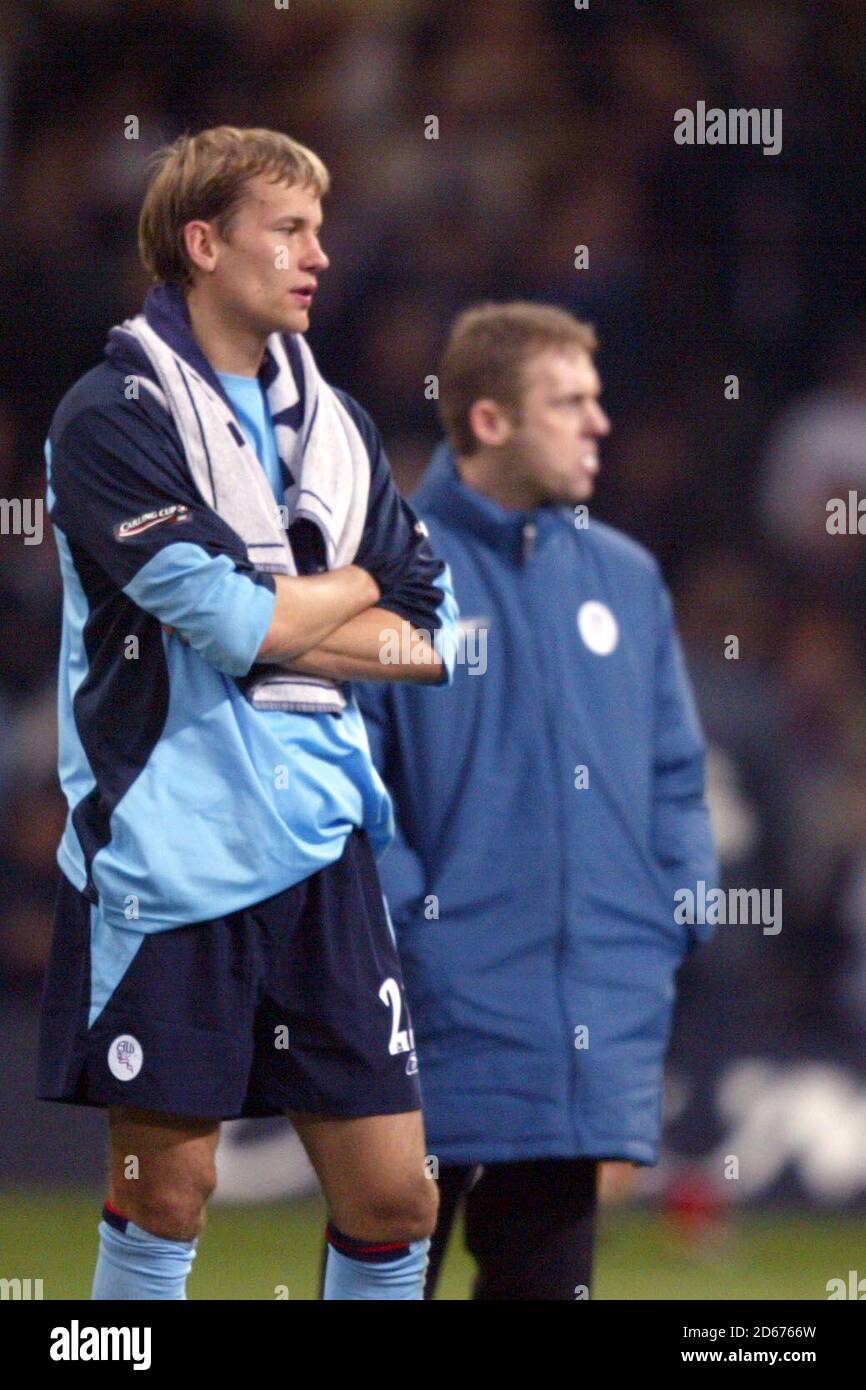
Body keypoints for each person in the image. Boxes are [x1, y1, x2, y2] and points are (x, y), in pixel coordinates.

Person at [37, 126, 458, 1302]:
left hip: (322, 847)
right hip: (169, 847)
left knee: (394, 1199)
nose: (319, 253)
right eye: (291, 228)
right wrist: (360, 582)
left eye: (320, 229)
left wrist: (302, 604)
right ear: (204, 242)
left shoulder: (336, 425)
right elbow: (232, 629)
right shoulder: (111, 414)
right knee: (166, 1191)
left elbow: (435, 642)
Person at [357, 302, 718, 1299]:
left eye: (594, 400)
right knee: (383, 1278)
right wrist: (413, 933)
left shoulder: (627, 578)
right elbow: (350, 783)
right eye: (569, 403)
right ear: (487, 420)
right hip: (431, 1011)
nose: (599, 422)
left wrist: (669, 915)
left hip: (585, 1013)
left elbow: (675, 782)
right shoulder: (394, 572)